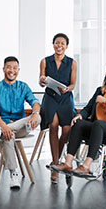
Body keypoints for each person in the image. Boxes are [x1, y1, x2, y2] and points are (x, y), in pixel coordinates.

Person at [51, 62, 106, 176]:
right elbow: (88, 108)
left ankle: (86, 166)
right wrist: (80, 115)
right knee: (78, 123)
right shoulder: (100, 90)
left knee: (98, 124)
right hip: (96, 126)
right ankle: (67, 163)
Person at [0, 56, 41, 189]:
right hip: (2, 124)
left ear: (18, 70)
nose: (12, 70)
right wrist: (3, 126)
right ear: (3, 69)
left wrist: (35, 114)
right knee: (8, 135)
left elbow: (35, 102)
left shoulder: (23, 87)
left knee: (38, 117)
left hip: (19, 127)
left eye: (15, 68)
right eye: (9, 67)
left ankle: (1, 131)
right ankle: (14, 173)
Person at [39, 33, 77, 183]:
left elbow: (73, 84)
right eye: (57, 43)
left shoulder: (72, 63)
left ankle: (58, 159)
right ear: (53, 44)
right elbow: (41, 81)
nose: (59, 45)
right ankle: (55, 165)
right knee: (53, 125)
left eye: (62, 43)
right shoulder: (45, 61)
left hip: (65, 97)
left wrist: (67, 89)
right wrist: (42, 80)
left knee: (67, 129)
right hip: (50, 97)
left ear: (66, 46)